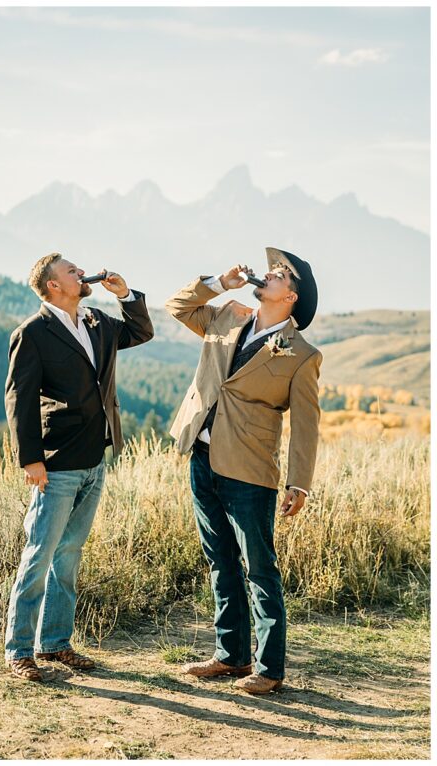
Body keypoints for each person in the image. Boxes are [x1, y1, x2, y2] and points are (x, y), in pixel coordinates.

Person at [166, 247, 321, 695]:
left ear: (291, 296)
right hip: (201, 455)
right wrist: (217, 283)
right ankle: (230, 656)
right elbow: (178, 306)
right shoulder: (228, 314)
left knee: (259, 567)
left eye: (280, 274)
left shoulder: (302, 354)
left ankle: (269, 669)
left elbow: (307, 425)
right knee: (220, 560)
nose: (268, 273)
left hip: (251, 469)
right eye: (270, 269)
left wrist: (299, 482)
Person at [3, 254, 154, 681]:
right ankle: (19, 650)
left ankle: (55, 644)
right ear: (53, 286)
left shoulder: (96, 321)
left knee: (68, 556)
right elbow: (18, 399)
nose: (81, 273)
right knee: (39, 555)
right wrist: (31, 459)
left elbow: (141, 331)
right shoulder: (32, 333)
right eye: (71, 271)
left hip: (95, 456)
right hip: (56, 461)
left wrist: (125, 295)